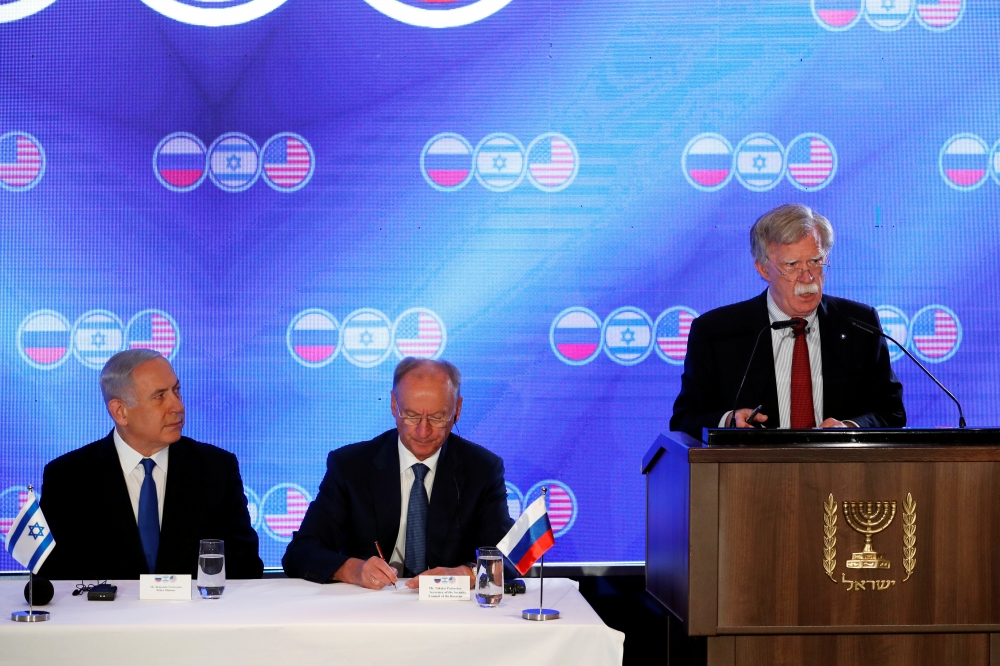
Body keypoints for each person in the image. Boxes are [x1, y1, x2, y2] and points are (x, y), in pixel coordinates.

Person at [671, 203, 905, 440]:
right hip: (752, 474)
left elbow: (892, 412)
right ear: (763, 269)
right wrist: (730, 420)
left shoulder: (859, 324)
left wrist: (849, 427)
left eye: (816, 261)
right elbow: (685, 419)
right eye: (792, 265)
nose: (808, 277)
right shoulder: (716, 332)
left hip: (842, 472)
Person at [283, 358, 514, 589]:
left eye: (437, 417)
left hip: (449, 611)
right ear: (394, 405)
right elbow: (301, 553)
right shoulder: (350, 466)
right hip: (369, 610)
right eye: (412, 415)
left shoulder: (482, 469)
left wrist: (468, 574)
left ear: (457, 410)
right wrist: (353, 569)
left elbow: (511, 557)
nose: (424, 431)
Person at [39, 349, 263, 580]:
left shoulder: (216, 468)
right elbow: (55, 574)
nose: (177, 406)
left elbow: (245, 567)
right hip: (106, 615)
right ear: (120, 411)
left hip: (194, 615)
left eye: (176, 391)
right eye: (160, 396)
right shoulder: (68, 477)